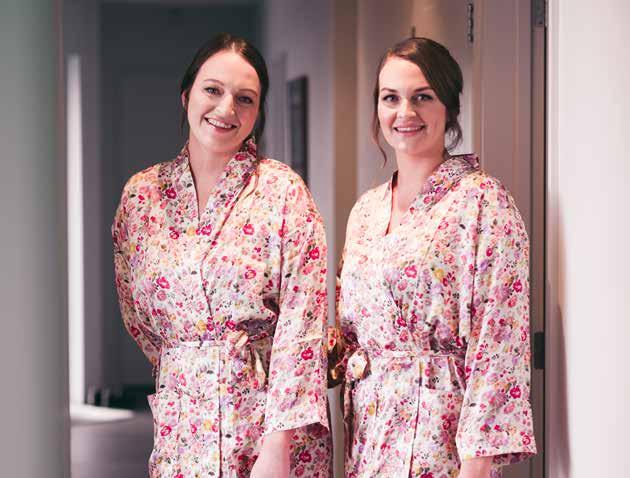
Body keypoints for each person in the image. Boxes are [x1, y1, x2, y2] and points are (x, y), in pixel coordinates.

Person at [112, 33, 332, 478]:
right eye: (213, 90)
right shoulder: (141, 196)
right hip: (182, 425)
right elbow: (139, 318)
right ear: (186, 95)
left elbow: (302, 326)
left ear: (258, 112)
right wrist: (192, 360)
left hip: (268, 430)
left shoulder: (283, 193)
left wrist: (278, 445)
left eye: (244, 98)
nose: (226, 108)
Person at [329, 37, 536, 477]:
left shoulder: (483, 202)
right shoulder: (365, 211)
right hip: (368, 437)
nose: (405, 112)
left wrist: (477, 467)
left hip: (439, 441)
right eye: (391, 98)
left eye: (422, 97)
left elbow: (499, 344)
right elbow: (350, 334)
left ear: (450, 106)